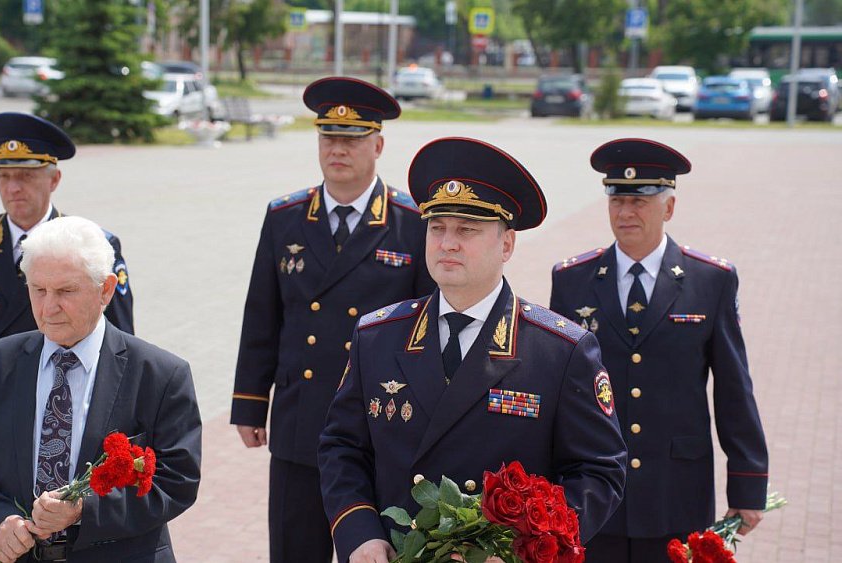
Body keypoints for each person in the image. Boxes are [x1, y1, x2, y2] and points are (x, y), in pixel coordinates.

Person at [319, 137, 627, 563]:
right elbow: (342, 447)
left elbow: (598, 472)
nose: (447, 243)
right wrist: (360, 534)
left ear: (507, 245)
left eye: (467, 230)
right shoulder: (378, 336)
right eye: (437, 227)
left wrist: (522, 550)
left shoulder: (560, 351)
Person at [230, 76, 435, 563]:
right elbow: (263, 314)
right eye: (328, 138)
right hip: (301, 416)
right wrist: (249, 403)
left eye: (352, 139)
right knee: (294, 547)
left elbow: (425, 328)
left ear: (378, 145)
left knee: (374, 549)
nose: (337, 149)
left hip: (379, 420)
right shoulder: (286, 216)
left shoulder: (412, 221)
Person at [549, 138, 768, 563]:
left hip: (676, 489)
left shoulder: (710, 280)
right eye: (616, 200)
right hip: (593, 494)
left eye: (639, 201)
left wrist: (747, 482)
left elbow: (733, 387)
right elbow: (557, 386)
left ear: (668, 208)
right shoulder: (571, 279)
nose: (625, 212)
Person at [0, 216, 200, 563]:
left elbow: (177, 480)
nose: (48, 307)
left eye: (66, 291)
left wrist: (84, 511)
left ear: (105, 289)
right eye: (38, 290)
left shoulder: (160, 375)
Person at [0, 112, 135, 458]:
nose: (13, 188)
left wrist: (122, 425)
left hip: (63, 407)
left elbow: (121, 341)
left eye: (25, 176)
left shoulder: (93, 245)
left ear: (54, 180)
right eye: (3, 176)